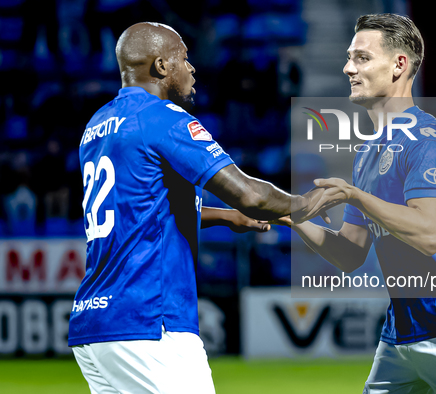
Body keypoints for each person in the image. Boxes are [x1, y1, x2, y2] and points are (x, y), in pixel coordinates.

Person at [68, 22, 322, 394]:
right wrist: (306, 204)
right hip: (150, 322)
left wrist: (225, 217)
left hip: (96, 325)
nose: (192, 69)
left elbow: (138, 212)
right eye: (184, 59)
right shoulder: (163, 118)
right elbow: (250, 194)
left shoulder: (98, 125)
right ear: (160, 67)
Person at [279, 14, 436, 394]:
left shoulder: (427, 140)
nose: (348, 67)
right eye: (349, 57)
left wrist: (355, 195)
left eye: (362, 58)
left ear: (399, 65)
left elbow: (429, 234)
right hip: (401, 331)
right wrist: (290, 215)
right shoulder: (367, 153)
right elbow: (351, 254)